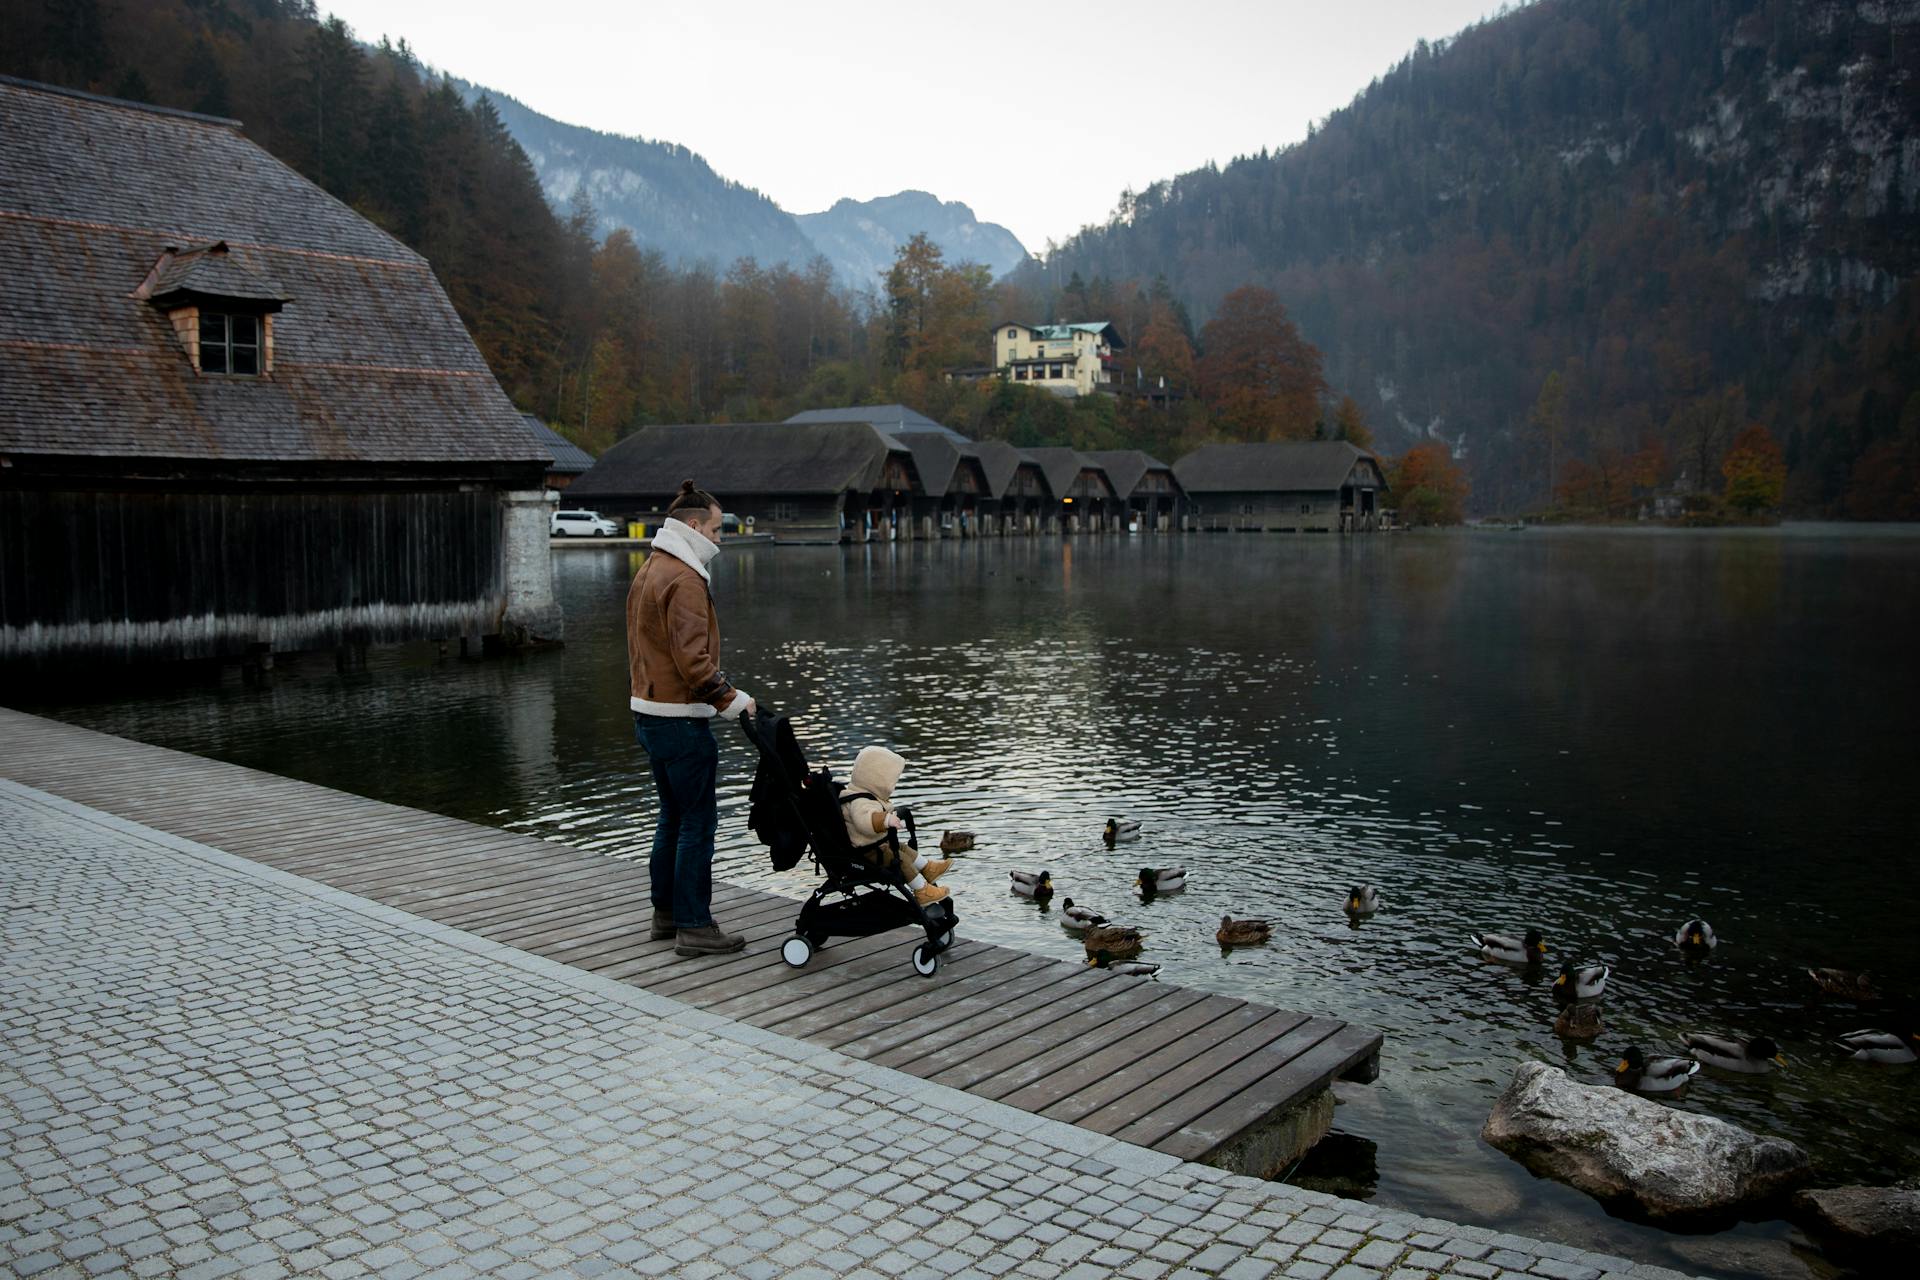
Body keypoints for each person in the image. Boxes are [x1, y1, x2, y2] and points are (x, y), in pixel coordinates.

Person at [629, 480, 755, 957]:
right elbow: (692, 660)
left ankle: (666, 914)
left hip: (649, 712)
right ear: (694, 526)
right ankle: (695, 926)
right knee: (697, 824)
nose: (721, 539)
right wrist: (734, 700)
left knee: (672, 818)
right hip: (681, 720)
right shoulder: (684, 578)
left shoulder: (652, 568)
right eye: (717, 530)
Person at [839, 746, 952, 908]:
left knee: (902, 849)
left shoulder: (862, 794)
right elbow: (864, 822)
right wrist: (885, 821)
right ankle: (922, 891)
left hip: (875, 845)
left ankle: (928, 867)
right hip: (868, 852)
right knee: (902, 861)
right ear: (876, 779)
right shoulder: (860, 801)